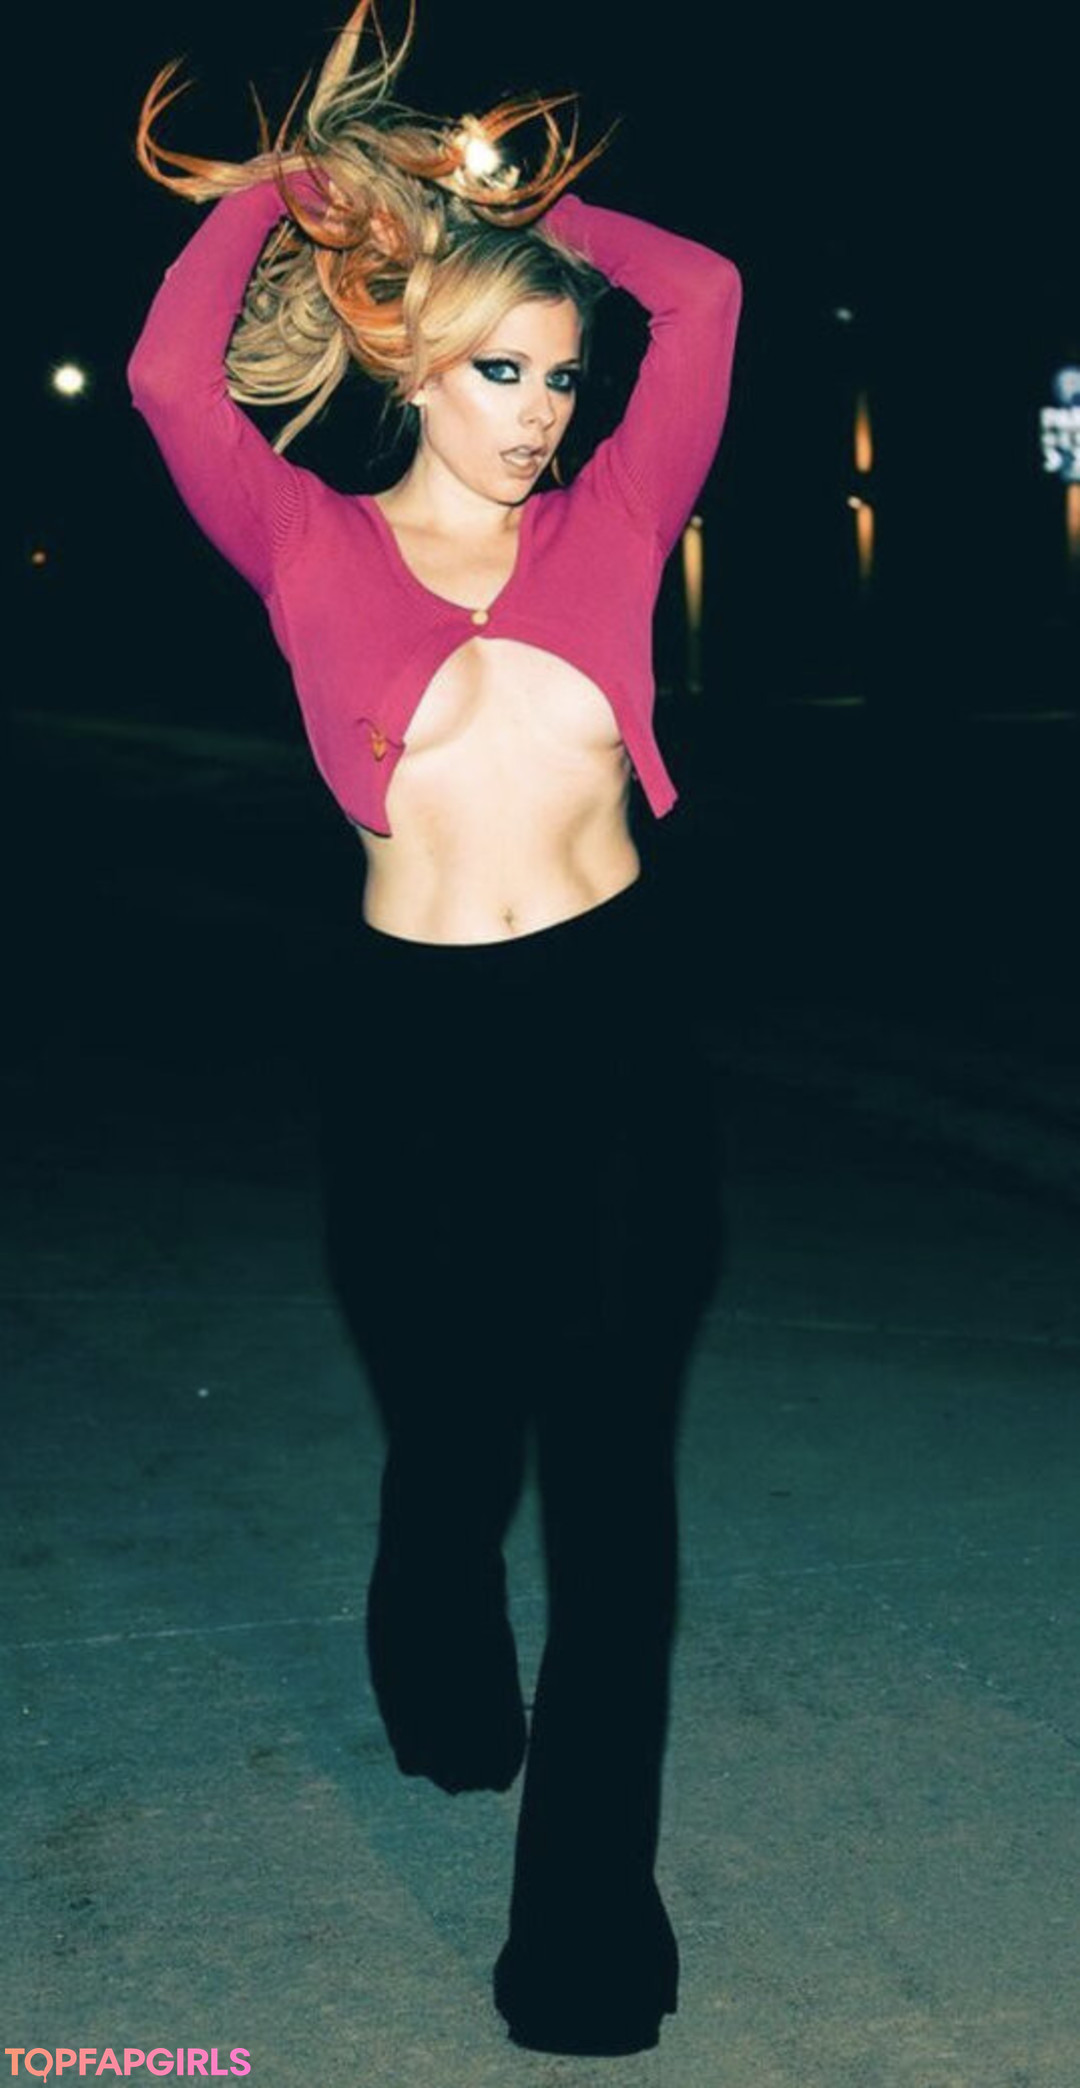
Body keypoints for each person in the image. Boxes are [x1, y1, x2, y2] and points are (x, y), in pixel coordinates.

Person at [128, 0, 743, 2056]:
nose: (544, 413)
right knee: (458, 1434)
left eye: (563, 378)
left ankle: (586, 1943)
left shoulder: (613, 524)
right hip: (414, 1054)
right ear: (408, 357)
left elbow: (704, 291)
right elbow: (169, 376)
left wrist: (521, 211)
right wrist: (321, 194)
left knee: (615, 1499)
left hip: (616, 1036)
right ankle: (442, 1681)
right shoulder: (310, 543)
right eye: (503, 370)